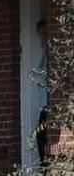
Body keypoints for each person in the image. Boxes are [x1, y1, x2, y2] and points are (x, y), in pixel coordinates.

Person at [35, 19, 49, 166]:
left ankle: (45, 170)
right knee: (40, 137)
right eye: (40, 34)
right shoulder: (44, 55)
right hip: (43, 106)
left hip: (49, 105)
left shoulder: (52, 55)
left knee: (42, 137)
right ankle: (44, 169)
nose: (42, 38)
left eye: (44, 34)